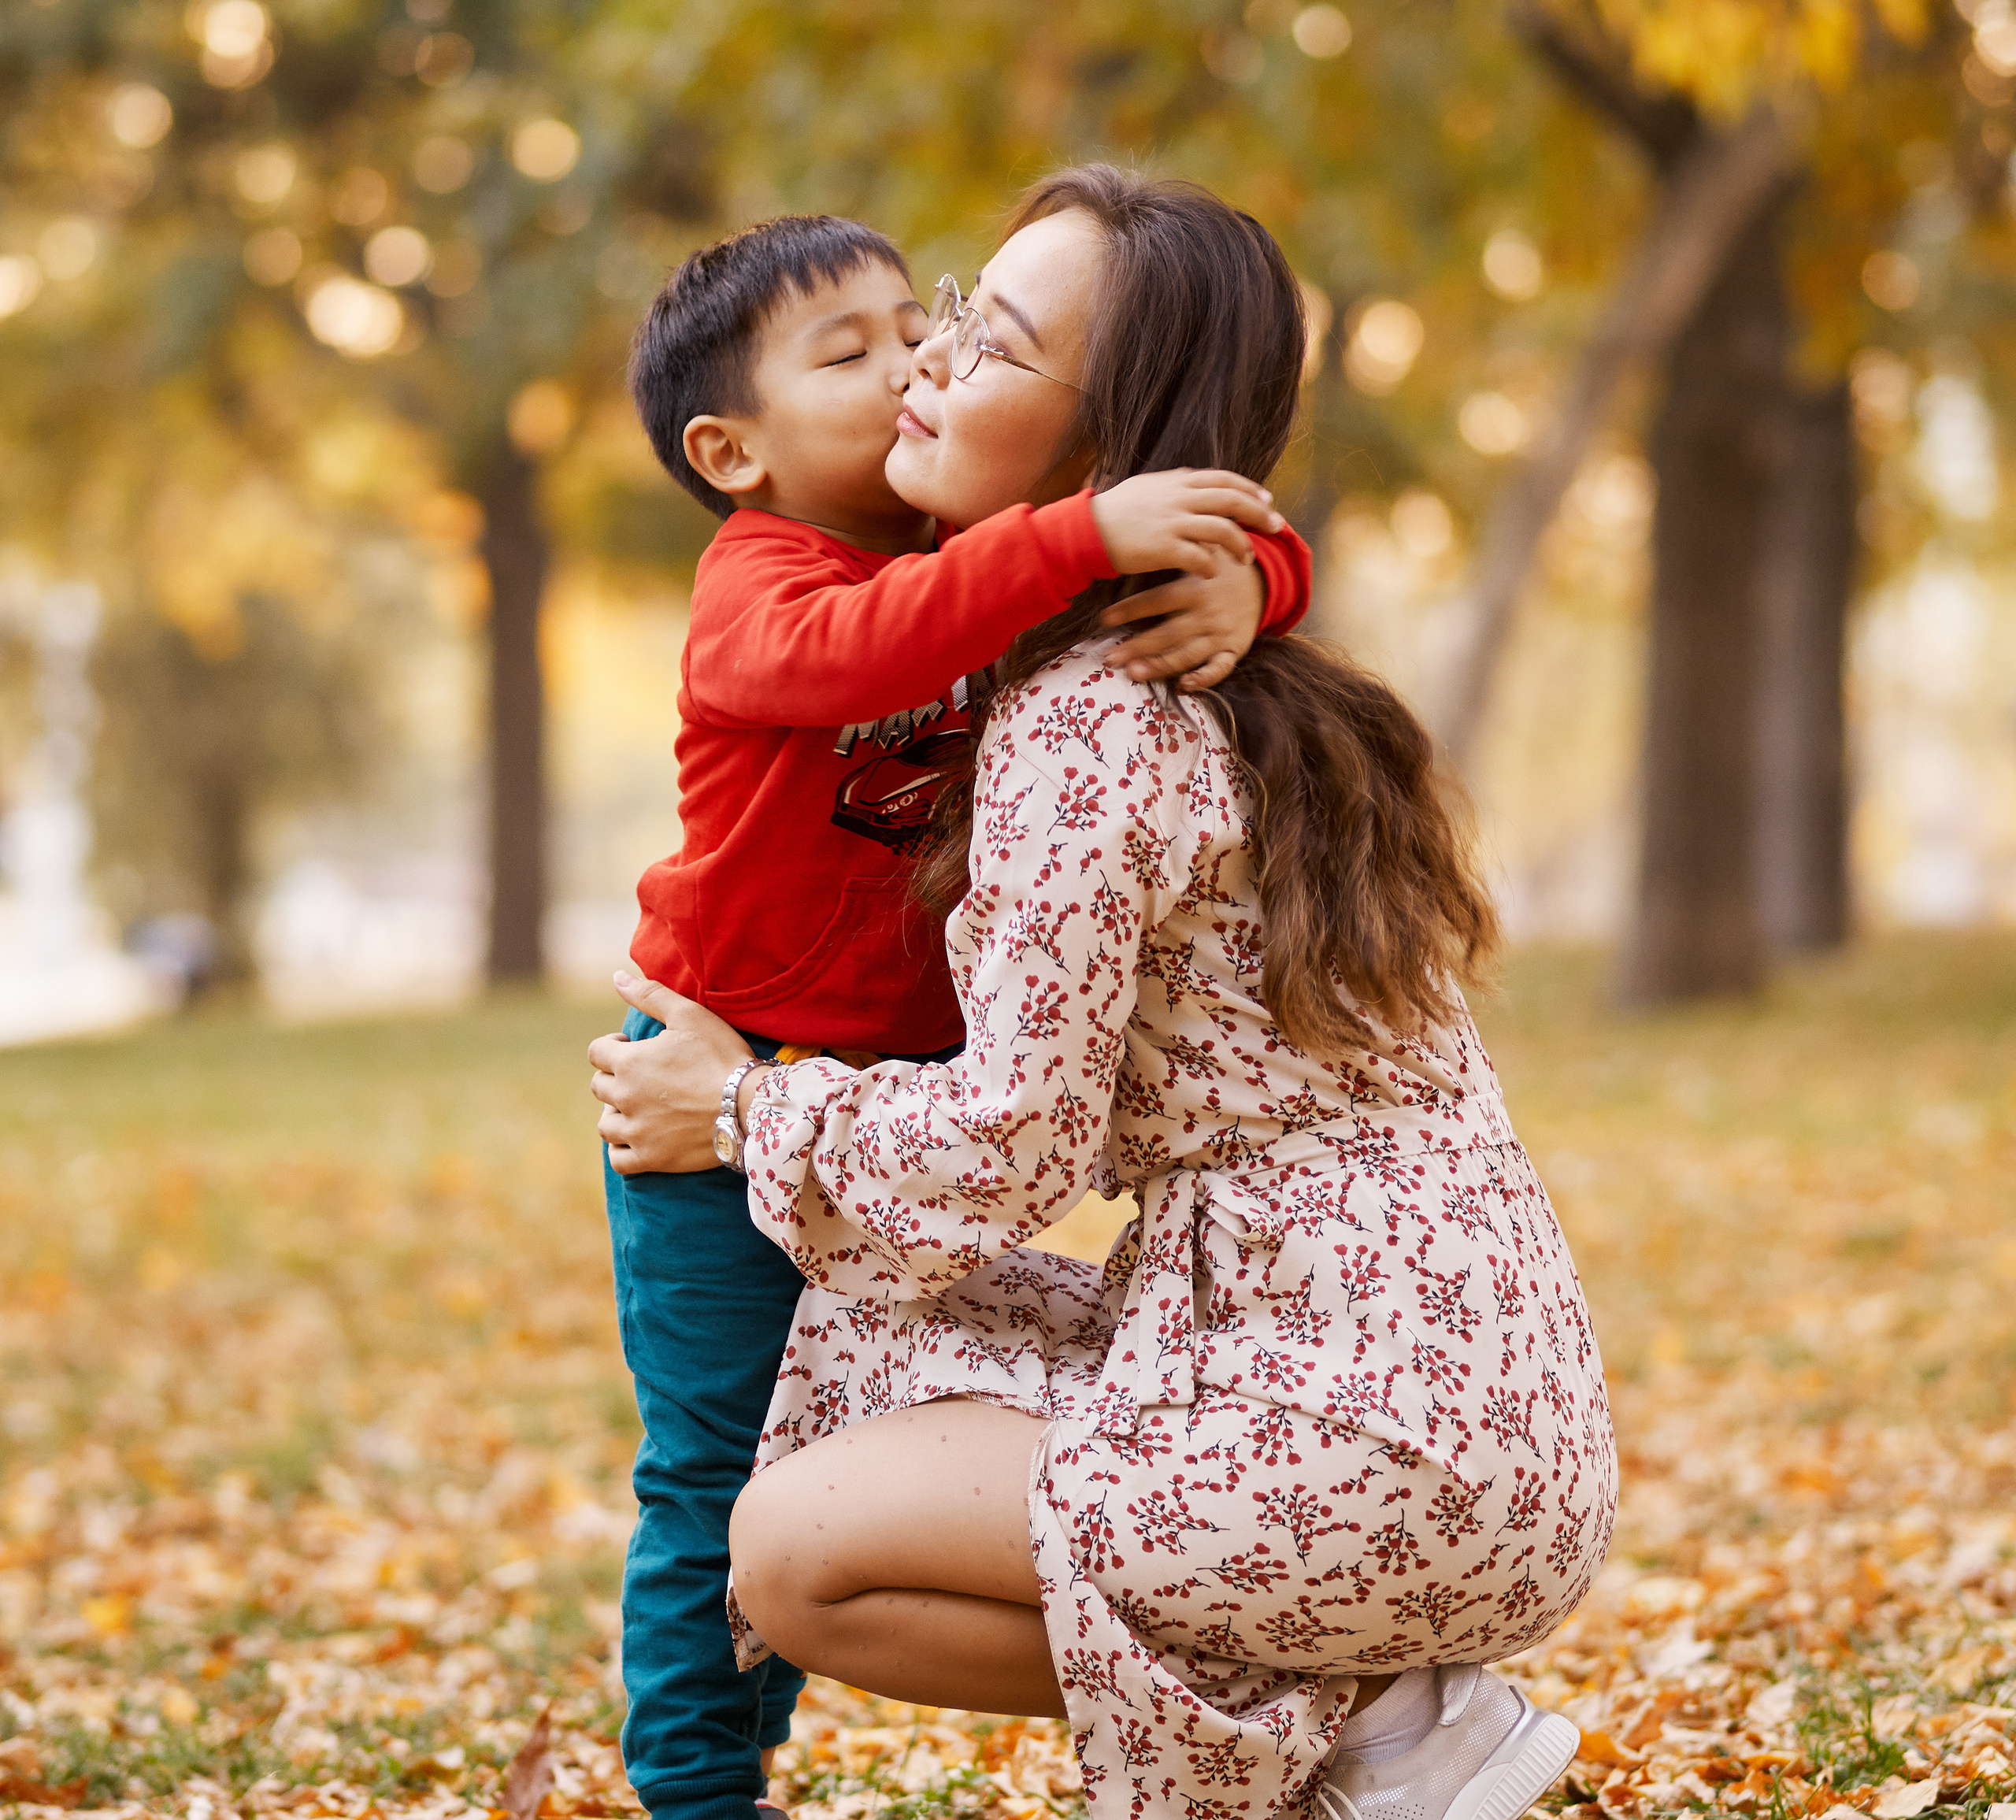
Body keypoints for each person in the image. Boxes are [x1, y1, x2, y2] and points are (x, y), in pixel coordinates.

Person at [593, 166, 1616, 1820]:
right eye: (925, 327)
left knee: (782, 1541)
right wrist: (1222, 561)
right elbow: (878, 634)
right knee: (821, 1375)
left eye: (975, 342)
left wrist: (730, 1106)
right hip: (1444, 1378)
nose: (922, 366)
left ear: (1112, 446)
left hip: (1351, 1409)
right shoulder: (1139, 650)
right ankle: (1376, 1710)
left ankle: (1365, 1717)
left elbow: (1004, 1154)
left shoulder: (1089, 711)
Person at [600, 212, 1313, 1820]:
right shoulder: (761, 588)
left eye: (906, 324)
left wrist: (1248, 583)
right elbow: (870, 653)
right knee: (713, 1466)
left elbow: (1246, 531)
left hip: (893, 1104)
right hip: (721, 1089)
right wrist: (1075, 533)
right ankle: (698, 1790)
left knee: (847, 1432)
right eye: (843, 354)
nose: (911, 359)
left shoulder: (970, 564)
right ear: (731, 450)